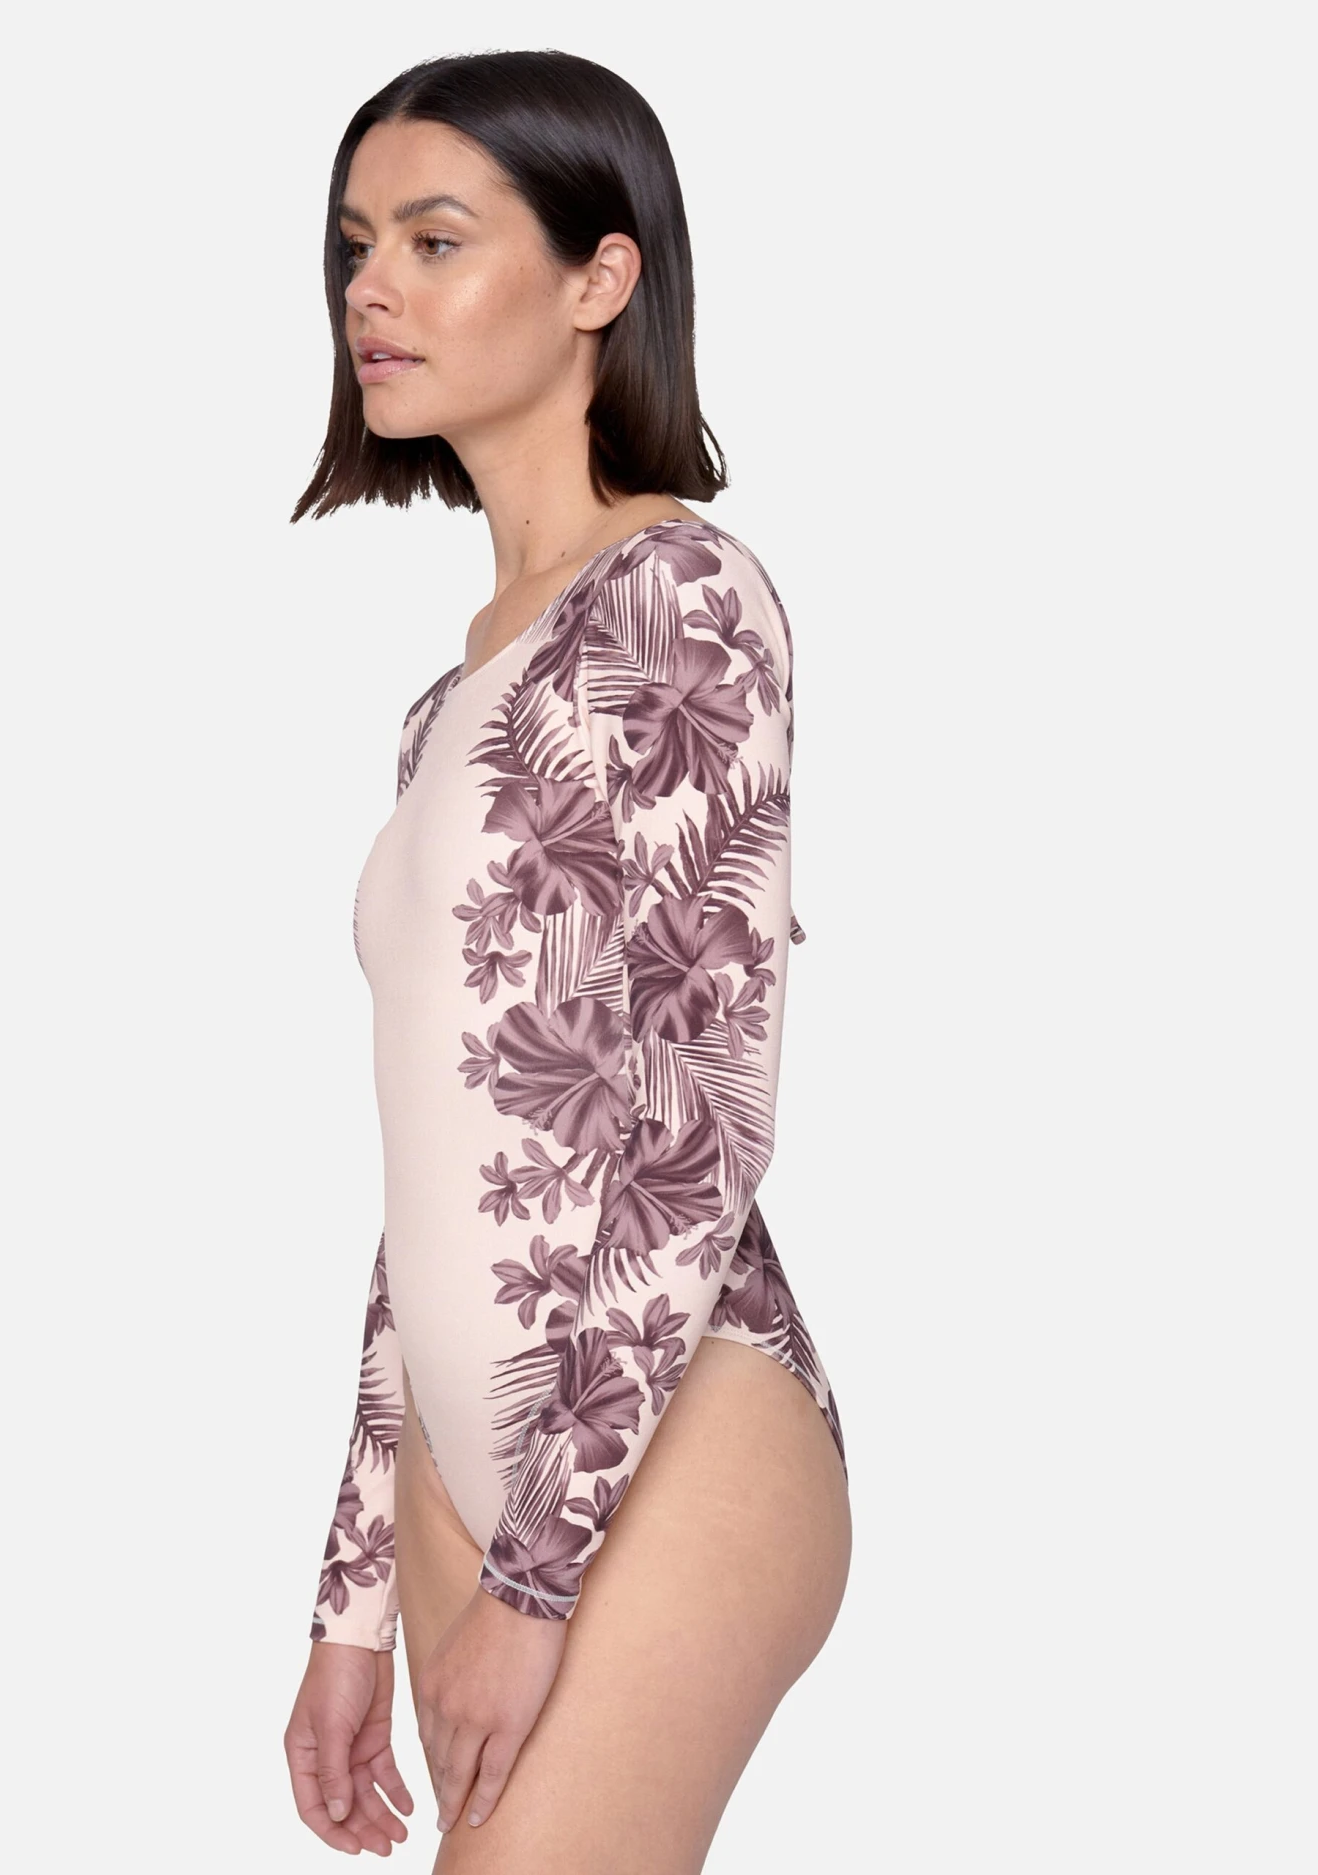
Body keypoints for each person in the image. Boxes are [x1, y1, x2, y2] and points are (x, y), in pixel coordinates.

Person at [282, 49, 852, 1870]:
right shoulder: (448, 701)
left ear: (603, 276)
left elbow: (700, 1122)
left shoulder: (677, 601)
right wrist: (350, 1603)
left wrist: (540, 1574)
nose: (373, 287)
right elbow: (430, 1183)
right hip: (468, 1464)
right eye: (357, 243)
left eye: (437, 239)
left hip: (669, 1426)